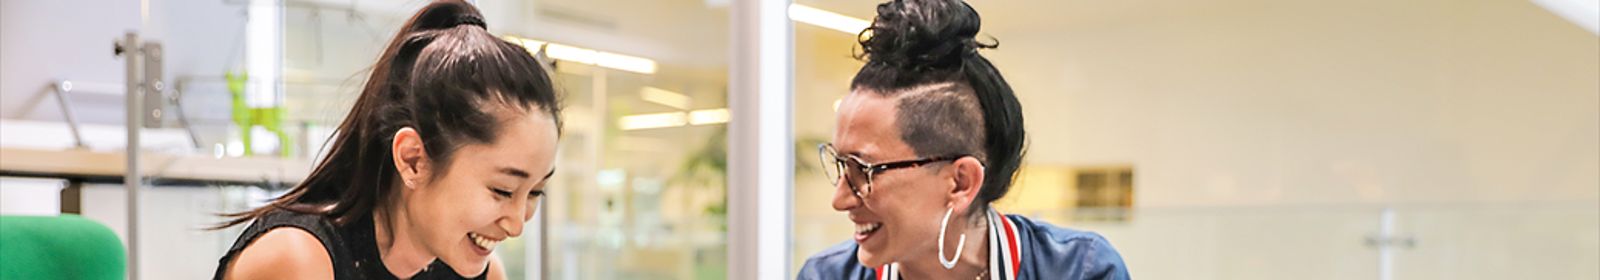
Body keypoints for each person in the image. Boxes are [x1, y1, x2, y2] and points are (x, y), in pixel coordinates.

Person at [211, 1, 562, 279]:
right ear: (413, 160)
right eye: (502, 190)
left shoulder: (480, 273)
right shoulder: (300, 261)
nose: (517, 224)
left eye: (534, 193)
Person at [797, 0, 1130, 279]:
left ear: (960, 183)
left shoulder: (1079, 270)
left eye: (863, 170)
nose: (840, 199)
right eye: (840, 164)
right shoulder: (827, 275)